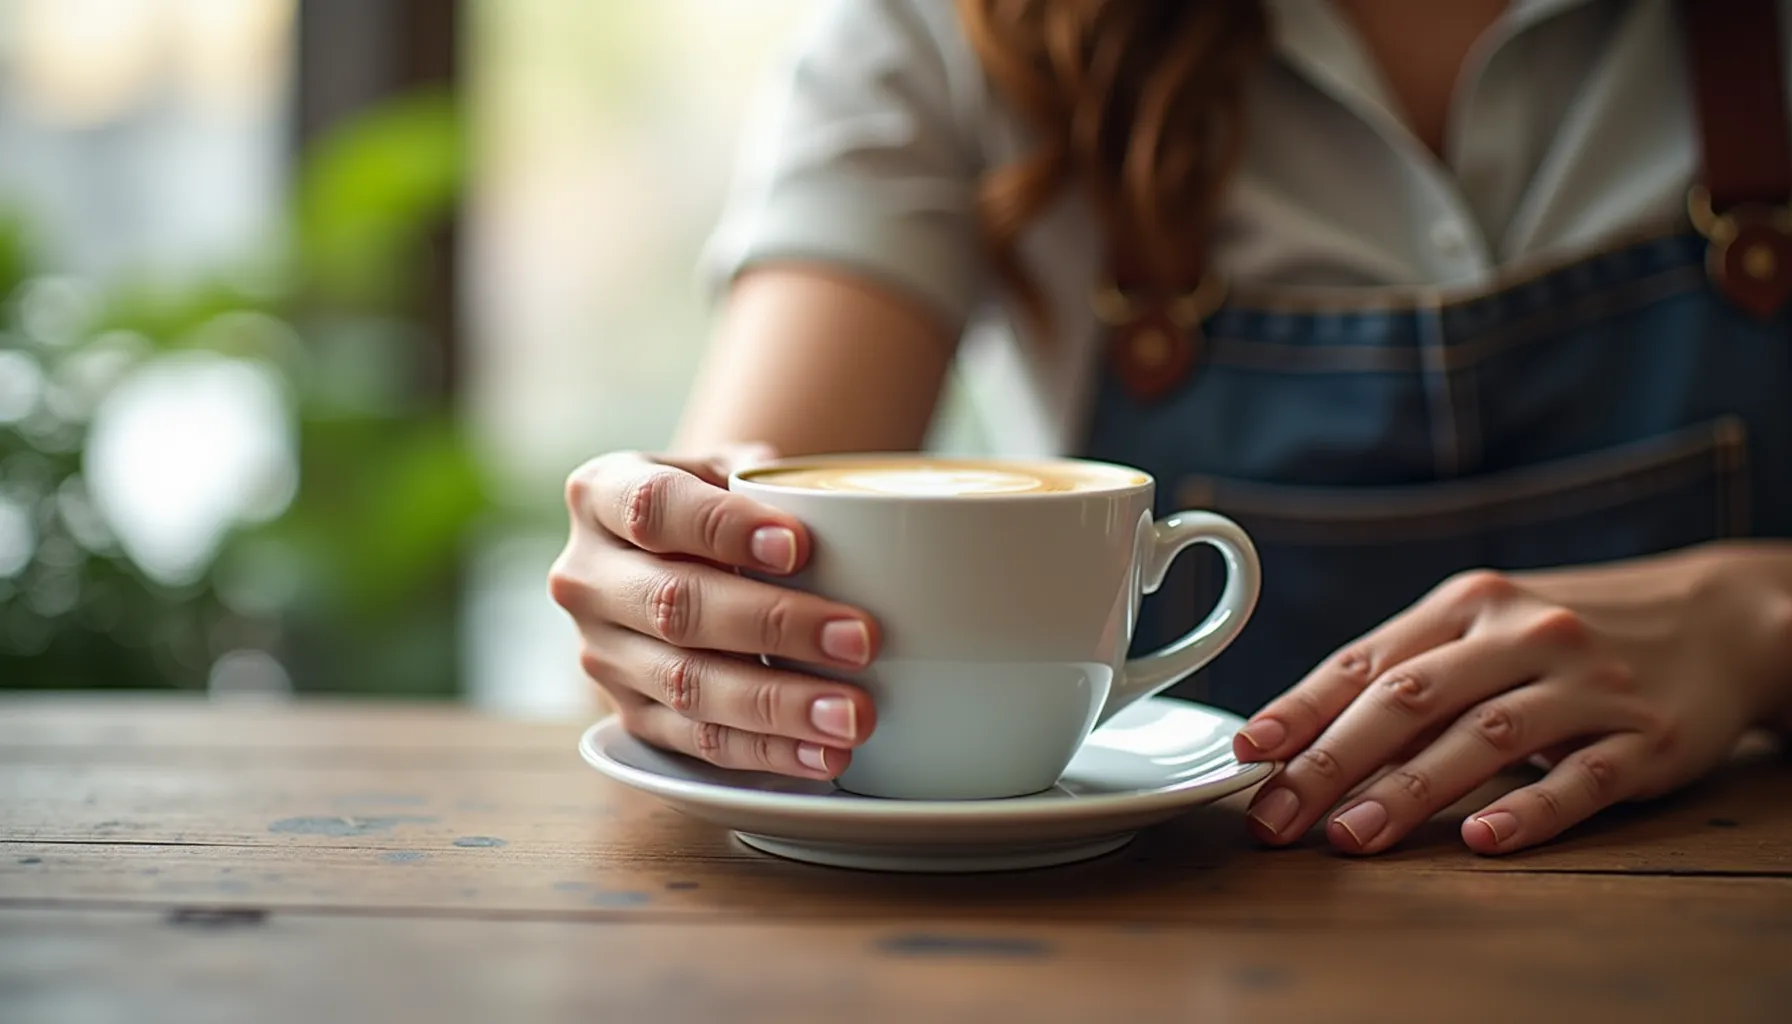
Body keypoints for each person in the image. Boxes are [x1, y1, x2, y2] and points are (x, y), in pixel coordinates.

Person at [549, 0, 1792, 857]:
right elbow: (752, 517)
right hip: (1148, 938)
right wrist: (679, 601)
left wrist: (1758, 620)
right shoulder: (944, 30)